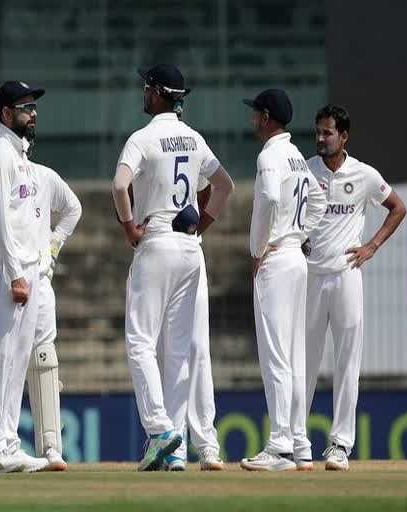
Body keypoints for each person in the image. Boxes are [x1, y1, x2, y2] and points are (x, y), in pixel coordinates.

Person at [112, 64, 234, 472]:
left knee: (140, 342)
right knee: (180, 350)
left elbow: (119, 185)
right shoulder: (194, 138)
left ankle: (160, 429)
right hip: (189, 247)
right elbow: (225, 185)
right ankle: (177, 452)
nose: (144, 94)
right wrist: (204, 224)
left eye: (148, 88)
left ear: (159, 93)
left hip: (157, 240)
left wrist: (129, 227)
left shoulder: (142, 138)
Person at [0, 114, 81, 472]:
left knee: (40, 355)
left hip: (37, 277)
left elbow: (73, 209)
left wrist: (53, 248)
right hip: (1, 276)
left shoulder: (42, 175)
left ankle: (49, 446)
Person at [304, 104, 406, 470]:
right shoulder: (306, 170)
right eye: (318, 131)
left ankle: (340, 445)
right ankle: (295, 441)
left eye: (328, 132)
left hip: (347, 275)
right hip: (311, 277)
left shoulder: (363, 174)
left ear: (343, 136)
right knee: (304, 362)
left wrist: (371, 246)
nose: (320, 138)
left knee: (347, 362)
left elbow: (397, 207)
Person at [241, 89, 327, 471]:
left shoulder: (270, 156)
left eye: (255, 113)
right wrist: (299, 234)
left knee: (276, 355)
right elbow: (319, 202)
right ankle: (300, 443)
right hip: (296, 258)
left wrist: (258, 250)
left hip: (276, 260)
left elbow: (271, 199)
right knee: (294, 356)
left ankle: (279, 446)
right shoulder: (296, 156)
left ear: (265, 117)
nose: (252, 119)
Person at [0, 81, 51, 473]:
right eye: (25, 107)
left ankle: (7, 443)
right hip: (10, 270)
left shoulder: (19, 155)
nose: (33, 113)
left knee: (19, 358)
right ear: (6, 113)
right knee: (3, 356)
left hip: (28, 268)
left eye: (34, 107)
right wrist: (14, 274)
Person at [158, 177, 224, 471]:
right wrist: (133, 227)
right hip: (154, 251)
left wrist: (197, 227)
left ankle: (206, 443)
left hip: (188, 250)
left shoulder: (194, 151)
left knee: (197, 348)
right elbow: (124, 187)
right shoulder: (139, 151)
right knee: (163, 351)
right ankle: (173, 445)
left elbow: (214, 185)